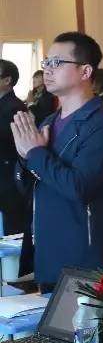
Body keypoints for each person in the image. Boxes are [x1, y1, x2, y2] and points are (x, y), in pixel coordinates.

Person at [11, 32, 103, 290]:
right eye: (46, 63)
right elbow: (31, 186)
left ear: (85, 71)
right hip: (48, 251)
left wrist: (35, 154)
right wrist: (24, 156)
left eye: (57, 63)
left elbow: (78, 186)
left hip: (83, 255)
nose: (48, 70)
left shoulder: (101, 124)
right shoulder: (49, 122)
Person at [0, 59, 29, 241]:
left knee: (14, 229)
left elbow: (11, 138)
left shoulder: (15, 106)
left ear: (7, 80)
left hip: (9, 174)